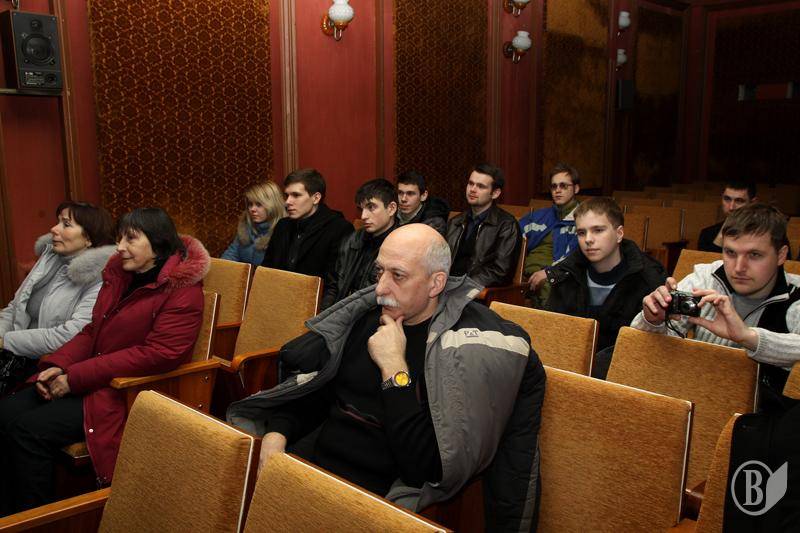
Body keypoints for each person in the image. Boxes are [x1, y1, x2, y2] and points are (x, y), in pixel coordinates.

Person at [228, 224, 545, 531]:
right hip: (313, 473)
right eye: (379, 271)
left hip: (375, 503)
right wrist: (278, 432)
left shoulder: (456, 353)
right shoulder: (367, 318)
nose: (380, 288)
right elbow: (321, 391)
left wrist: (394, 368)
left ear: (436, 283)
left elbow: (425, 469)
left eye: (398, 276)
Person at [0, 207, 209, 515]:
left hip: (128, 392)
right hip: (92, 378)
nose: (119, 247)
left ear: (157, 244)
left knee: (28, 430)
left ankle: (35, 519)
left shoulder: (183, 291)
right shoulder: (121, 275)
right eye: (119, 238)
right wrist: (58, 365)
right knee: (5, 412)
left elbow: (159, 354)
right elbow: (91, 331)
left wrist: (74, 377)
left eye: (130, 239)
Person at [633, 203, 799, 413]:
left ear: (781, 255)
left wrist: (747, 336)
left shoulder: (796, 296)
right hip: (694, 399)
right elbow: (643, 350)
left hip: (759, 417)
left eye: (754, 255)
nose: (738, 268)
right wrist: (653, 320)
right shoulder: (705, 278)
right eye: (730, 252)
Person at [0, 201, 116, 395]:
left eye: (66, 224)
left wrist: (7, 341)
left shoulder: (100, 278)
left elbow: (70, 335)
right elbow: (14, 308)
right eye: (58, 221)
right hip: (13, 353)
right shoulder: (49, 259)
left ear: (88, 238)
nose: (54, 229)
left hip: (46, 364)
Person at [545, 198, 667, 378]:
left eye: (598, 230)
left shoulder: (648, 278)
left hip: (627, 374)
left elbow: (652, 349)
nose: (588, 240)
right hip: (570, 371)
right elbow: (552, 331)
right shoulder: (566, 274)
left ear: (619, 234)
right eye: (581, 233)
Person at [261, 168, 354, 279]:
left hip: (316, 290)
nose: (287, 202)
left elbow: (336, 281)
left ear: (316, 198)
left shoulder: (340, 229)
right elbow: (267, 269)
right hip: (278, 288)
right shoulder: (283, 225)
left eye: (296, 195)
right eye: (287, 195)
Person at [321, 179, 398, 310]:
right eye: (361, 209)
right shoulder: (352, 239)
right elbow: (333, 285)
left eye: (371, 207)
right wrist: (325, 314)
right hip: (341, 313)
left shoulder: (401, 246)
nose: (363, 216)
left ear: (391, 208)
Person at [446, 163, 522, 288]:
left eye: (481, 186)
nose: (472, 189)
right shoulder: (455, 222)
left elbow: (500, 271)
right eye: (471, 183)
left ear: (495, 193)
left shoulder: (507, 225)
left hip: (476, 291)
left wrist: (463, 286)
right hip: (446, 286)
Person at [518, 163, 581, 307]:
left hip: (556, 276)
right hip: (525, 273)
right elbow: (513, 236)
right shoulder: (538, 216)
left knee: (550, 286)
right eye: (554, 186)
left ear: (576, 188)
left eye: (563, 186)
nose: (558, 190)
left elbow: (575, 258)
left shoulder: (583, 220)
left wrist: (549, 272)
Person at [221, 181, 285, 267]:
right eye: (250, 204)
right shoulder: (245, 227)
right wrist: (221, 268)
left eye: (258, 204)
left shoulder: (283, 232)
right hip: (245, 275)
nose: (252, 209)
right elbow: (232, 254)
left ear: (272, 205)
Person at [697, 180, 757, 253]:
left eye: (739, 201)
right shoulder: (707, 234)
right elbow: (707, 259)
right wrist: (720, 237)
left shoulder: (764, 234)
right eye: (727, 199)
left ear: (752, 203)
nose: (731, 207)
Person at [395, 171, 449, 235]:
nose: (403, 199)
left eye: (410, 194)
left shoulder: (434, 222)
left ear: (423, 196)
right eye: (400, 193)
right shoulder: (390, 212)